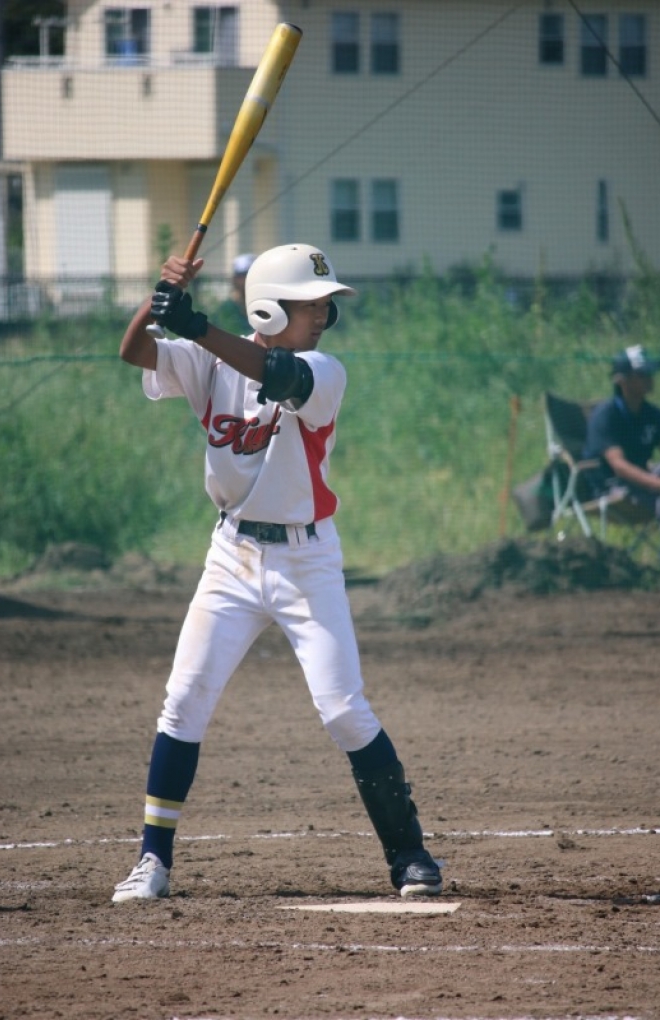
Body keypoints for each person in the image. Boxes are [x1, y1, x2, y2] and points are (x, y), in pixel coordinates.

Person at [112, 243, 443, 902]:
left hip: (306, 561)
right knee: (184, 699)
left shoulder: (323, 370)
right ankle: (153, 859)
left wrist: (195, 324)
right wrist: (159, 297)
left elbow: (277, 372)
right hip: (231, 557)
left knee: (343, 709)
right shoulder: (208, 359)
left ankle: (409, 854)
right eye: (309, 304)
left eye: (325, 305)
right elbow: (134, 352)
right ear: (267, 307)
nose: (323, 315)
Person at [582, 344, 660, 565]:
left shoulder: (655, 415)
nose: (650, 378)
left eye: (650, 373)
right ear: (621, 380)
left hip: (645, 477)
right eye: (642, 374)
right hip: (612, 485)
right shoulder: (606, 416)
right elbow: (619, 466)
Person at [216, 252, 256, 334]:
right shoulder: (227, 308)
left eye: (247, 275)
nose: (243, 280)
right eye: (240, 276)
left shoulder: (265, 306)